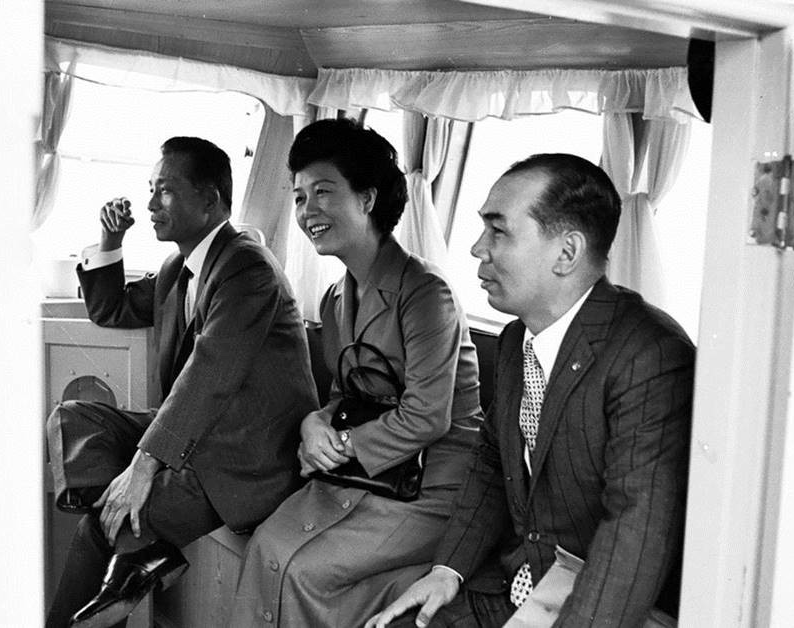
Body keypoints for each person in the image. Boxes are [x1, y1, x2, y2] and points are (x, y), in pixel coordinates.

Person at [366, 153, 696, 628]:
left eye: (498, 231)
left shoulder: (650, 356)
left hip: (595, 603)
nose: (477, 248)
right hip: (518, 582)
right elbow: (492, 459)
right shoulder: (516, 339)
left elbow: (636, 529)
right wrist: (447, 569)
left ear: (567, 252)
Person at [44, 136, 319, 628]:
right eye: (151, 189)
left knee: (100, 528)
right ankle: (137, 543)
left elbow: (210, 373)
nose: (151, 204)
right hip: (201, 440)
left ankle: (131, 541)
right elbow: (113, 309)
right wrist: (111, 243)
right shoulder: (180, 268)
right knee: (73, 419)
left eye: (166, 190)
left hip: (248, 458)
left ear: (209, 199)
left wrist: (143, 468)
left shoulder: (248, 267)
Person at [226, 118, 483, 628]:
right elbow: (345, 393)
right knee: (267, 546)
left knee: (303, 569)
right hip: (366, 471)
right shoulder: (335, 298)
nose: (308, 211)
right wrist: (314, 423)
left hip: (432, 485)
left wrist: (341, 446)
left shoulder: (426, 294)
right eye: (299, 197)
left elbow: (428, 417)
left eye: (323, 191)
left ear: (367, 199)